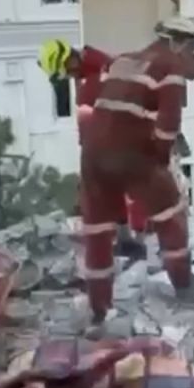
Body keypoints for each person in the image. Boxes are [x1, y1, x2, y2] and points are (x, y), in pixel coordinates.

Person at [76, 17, 194, 325]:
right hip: (131, 154)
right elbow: (168, 127)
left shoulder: (124, 60)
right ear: (179, 43)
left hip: (93, 156)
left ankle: (99, 308)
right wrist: (159, 164)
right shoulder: (171, 68)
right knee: (171, 215)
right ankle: (183, 284)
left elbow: (96, 101)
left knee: (98, 231)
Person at [37, 39, 148, 255]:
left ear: (70, 59)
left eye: (66, 71)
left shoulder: (99, 75)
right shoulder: (89, 72)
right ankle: (127, 239)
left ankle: (138, 241)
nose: (68, 76)